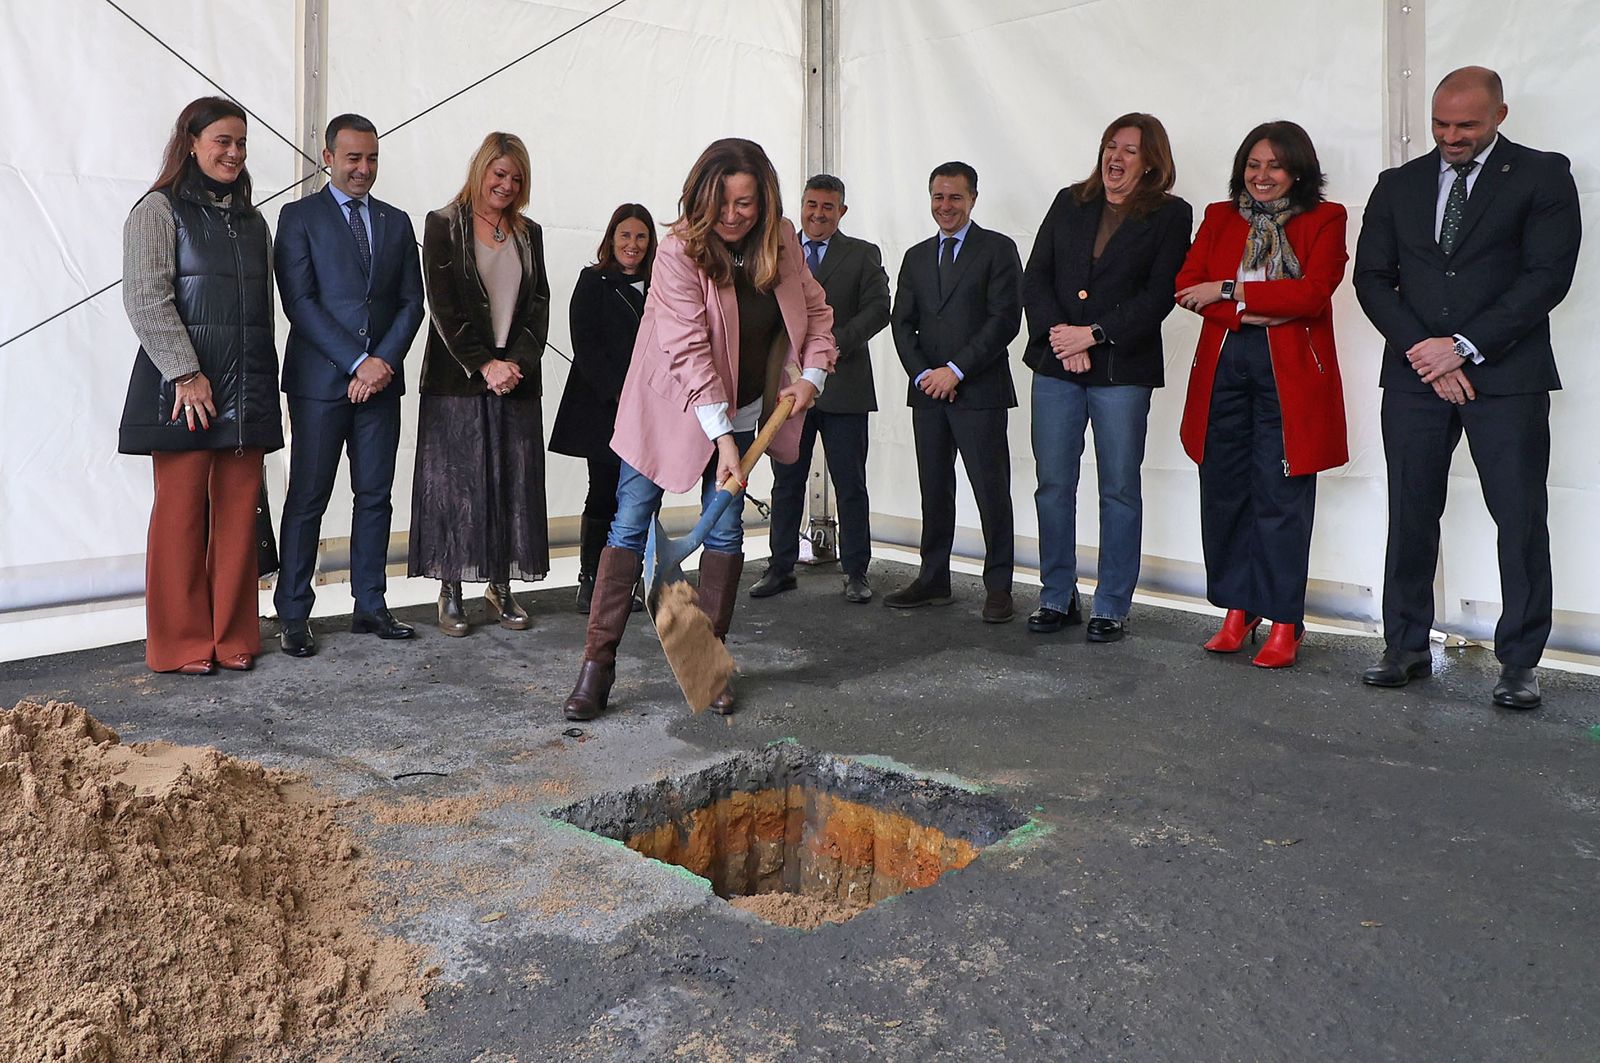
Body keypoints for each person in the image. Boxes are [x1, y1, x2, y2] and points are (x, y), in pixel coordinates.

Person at [560, 137, 835, 721]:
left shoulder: (782, 239)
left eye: (747, 204)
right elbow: (687, 349)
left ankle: (707, 669)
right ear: (702, 198)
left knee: (726, 530)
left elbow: (816, 314)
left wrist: (812, 373)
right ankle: (597, 665)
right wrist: (723, 441)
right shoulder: (679, 251)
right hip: (669, 407)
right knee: (631, 521)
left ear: (765, 200)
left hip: (742, 410)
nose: (734, 216)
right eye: (723, 204)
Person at [1354, 67, 1581, 709]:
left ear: (1500, 115)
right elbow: (1372, 277)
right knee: (1411, 512)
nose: (1451, 136)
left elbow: (1546, 277)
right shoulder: (1397, 184)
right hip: (1415, 377)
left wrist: (1463, 347)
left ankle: (1519, 663)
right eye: (1440, 123)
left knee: (1518, 518)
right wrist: (1429, 356)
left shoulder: (1542, 176)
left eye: (1466, 125)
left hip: (1506, 378)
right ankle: (1404, 647)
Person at [118, 96, 283, 675]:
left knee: (240, 517)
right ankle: (182, 642)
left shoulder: (252, 220)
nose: (234, 153)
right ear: (191, 142)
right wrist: (186, 374)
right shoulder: (157, 210)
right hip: (182, 391)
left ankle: (234, 635)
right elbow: (145, 298)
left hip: (246, 391)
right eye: (222, 141)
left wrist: (262, 386)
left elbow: (260, 312)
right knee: (181, 518)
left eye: (241, 143)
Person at [1174, 121, 1349, 669]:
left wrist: (1231, 291)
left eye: (1274, 165)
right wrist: (1263, 305)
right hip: (1225, 365)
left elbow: (1313, 294)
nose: (1262, 175)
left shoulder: (1326, 218)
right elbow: (1187, 286)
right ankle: (1237, 608)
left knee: (1280, 498)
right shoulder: (1219, 217)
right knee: (1223, 489)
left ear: (1298, 169)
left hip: (1289, 372)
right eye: (1253, 164)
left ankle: (1285, 620)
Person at [1021, 113, 1192, 643]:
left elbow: (1160, 294)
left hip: (1121, 370)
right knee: (1053, 484)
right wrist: (1061, 336)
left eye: (1130, 150)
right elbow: (1037, 278)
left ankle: (1112, 603)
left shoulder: (1170, 214)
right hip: (1056, 365)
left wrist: (1091, 334)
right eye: (1110, 146)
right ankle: (1057, 595)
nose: (1115, 158)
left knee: (1118, 487)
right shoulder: (1069, 201)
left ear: (1151, 162)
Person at [272, 113, 425, 657]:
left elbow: (413, 302)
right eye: (353, 158)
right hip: (319, 384)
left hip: (381, 385)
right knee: (308, 497)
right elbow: (300, 304)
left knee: (376, 497)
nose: (364, 169)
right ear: (328, 158)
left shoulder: (397, 221)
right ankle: (292, 612)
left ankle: (371, 605)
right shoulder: (298, 217)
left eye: (372, 158)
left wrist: (380, 362)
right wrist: (357, 361)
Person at [409, 132, 551, 636]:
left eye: (516, 178)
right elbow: (443, 307)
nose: (507, 185)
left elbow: (539, 308)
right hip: (458, 381)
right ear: (480, 171)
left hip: (515, 381)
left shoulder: (529, 232)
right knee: (456, 488)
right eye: (499, 174)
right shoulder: (443, 224)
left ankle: (501, 586)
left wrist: (515, 363)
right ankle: (451, 591)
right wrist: (484, 364)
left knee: (511, 484)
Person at [885, 161, 1023, 622]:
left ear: (973, 199)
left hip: (978, 391)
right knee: (934, 489)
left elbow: (1004, 320)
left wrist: (956, 370)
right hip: (927, 393)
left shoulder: (998, 249)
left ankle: (999, 586)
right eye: (938, 197)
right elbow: (901, 322)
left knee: (990, 490)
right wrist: (925, 373)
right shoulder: (916, 255)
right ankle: (933, 578)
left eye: (955, 197)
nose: (946, 206)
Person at [749, 174, 890, 604]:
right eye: (812, 204)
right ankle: (780, 566)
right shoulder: (778, 252)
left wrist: (827, 350)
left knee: (851, 483)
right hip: (788, 389)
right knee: (786, 479)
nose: (818, 213)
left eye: (828, 207)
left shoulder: (863, 254)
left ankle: (857, 571)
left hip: (844, 387)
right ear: (802, 204)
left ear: (841, 212)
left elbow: (879, 309)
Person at [549, 203, 657, 613]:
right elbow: (586, 344)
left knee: (643, 496)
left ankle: (632, 580)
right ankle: (591, 579)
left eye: (641, 236)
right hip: (604, 406)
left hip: (650, 408)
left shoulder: (661, 284)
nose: (633, 244)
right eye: (625, 235)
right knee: (604, 492)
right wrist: (618, 391)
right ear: (612, 238)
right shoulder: (592, 281)